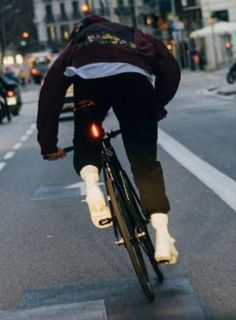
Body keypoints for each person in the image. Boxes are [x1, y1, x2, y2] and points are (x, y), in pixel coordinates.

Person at [37, 15, 180, 264]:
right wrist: (156, 105)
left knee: (87, 136)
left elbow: (51, 89)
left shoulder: (79, 42)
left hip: (91, 85)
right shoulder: (133, 33)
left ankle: (92, 187)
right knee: (144, 163)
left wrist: (48, 144)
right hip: (133, 83)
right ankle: (163, 236)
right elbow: (170, 68)